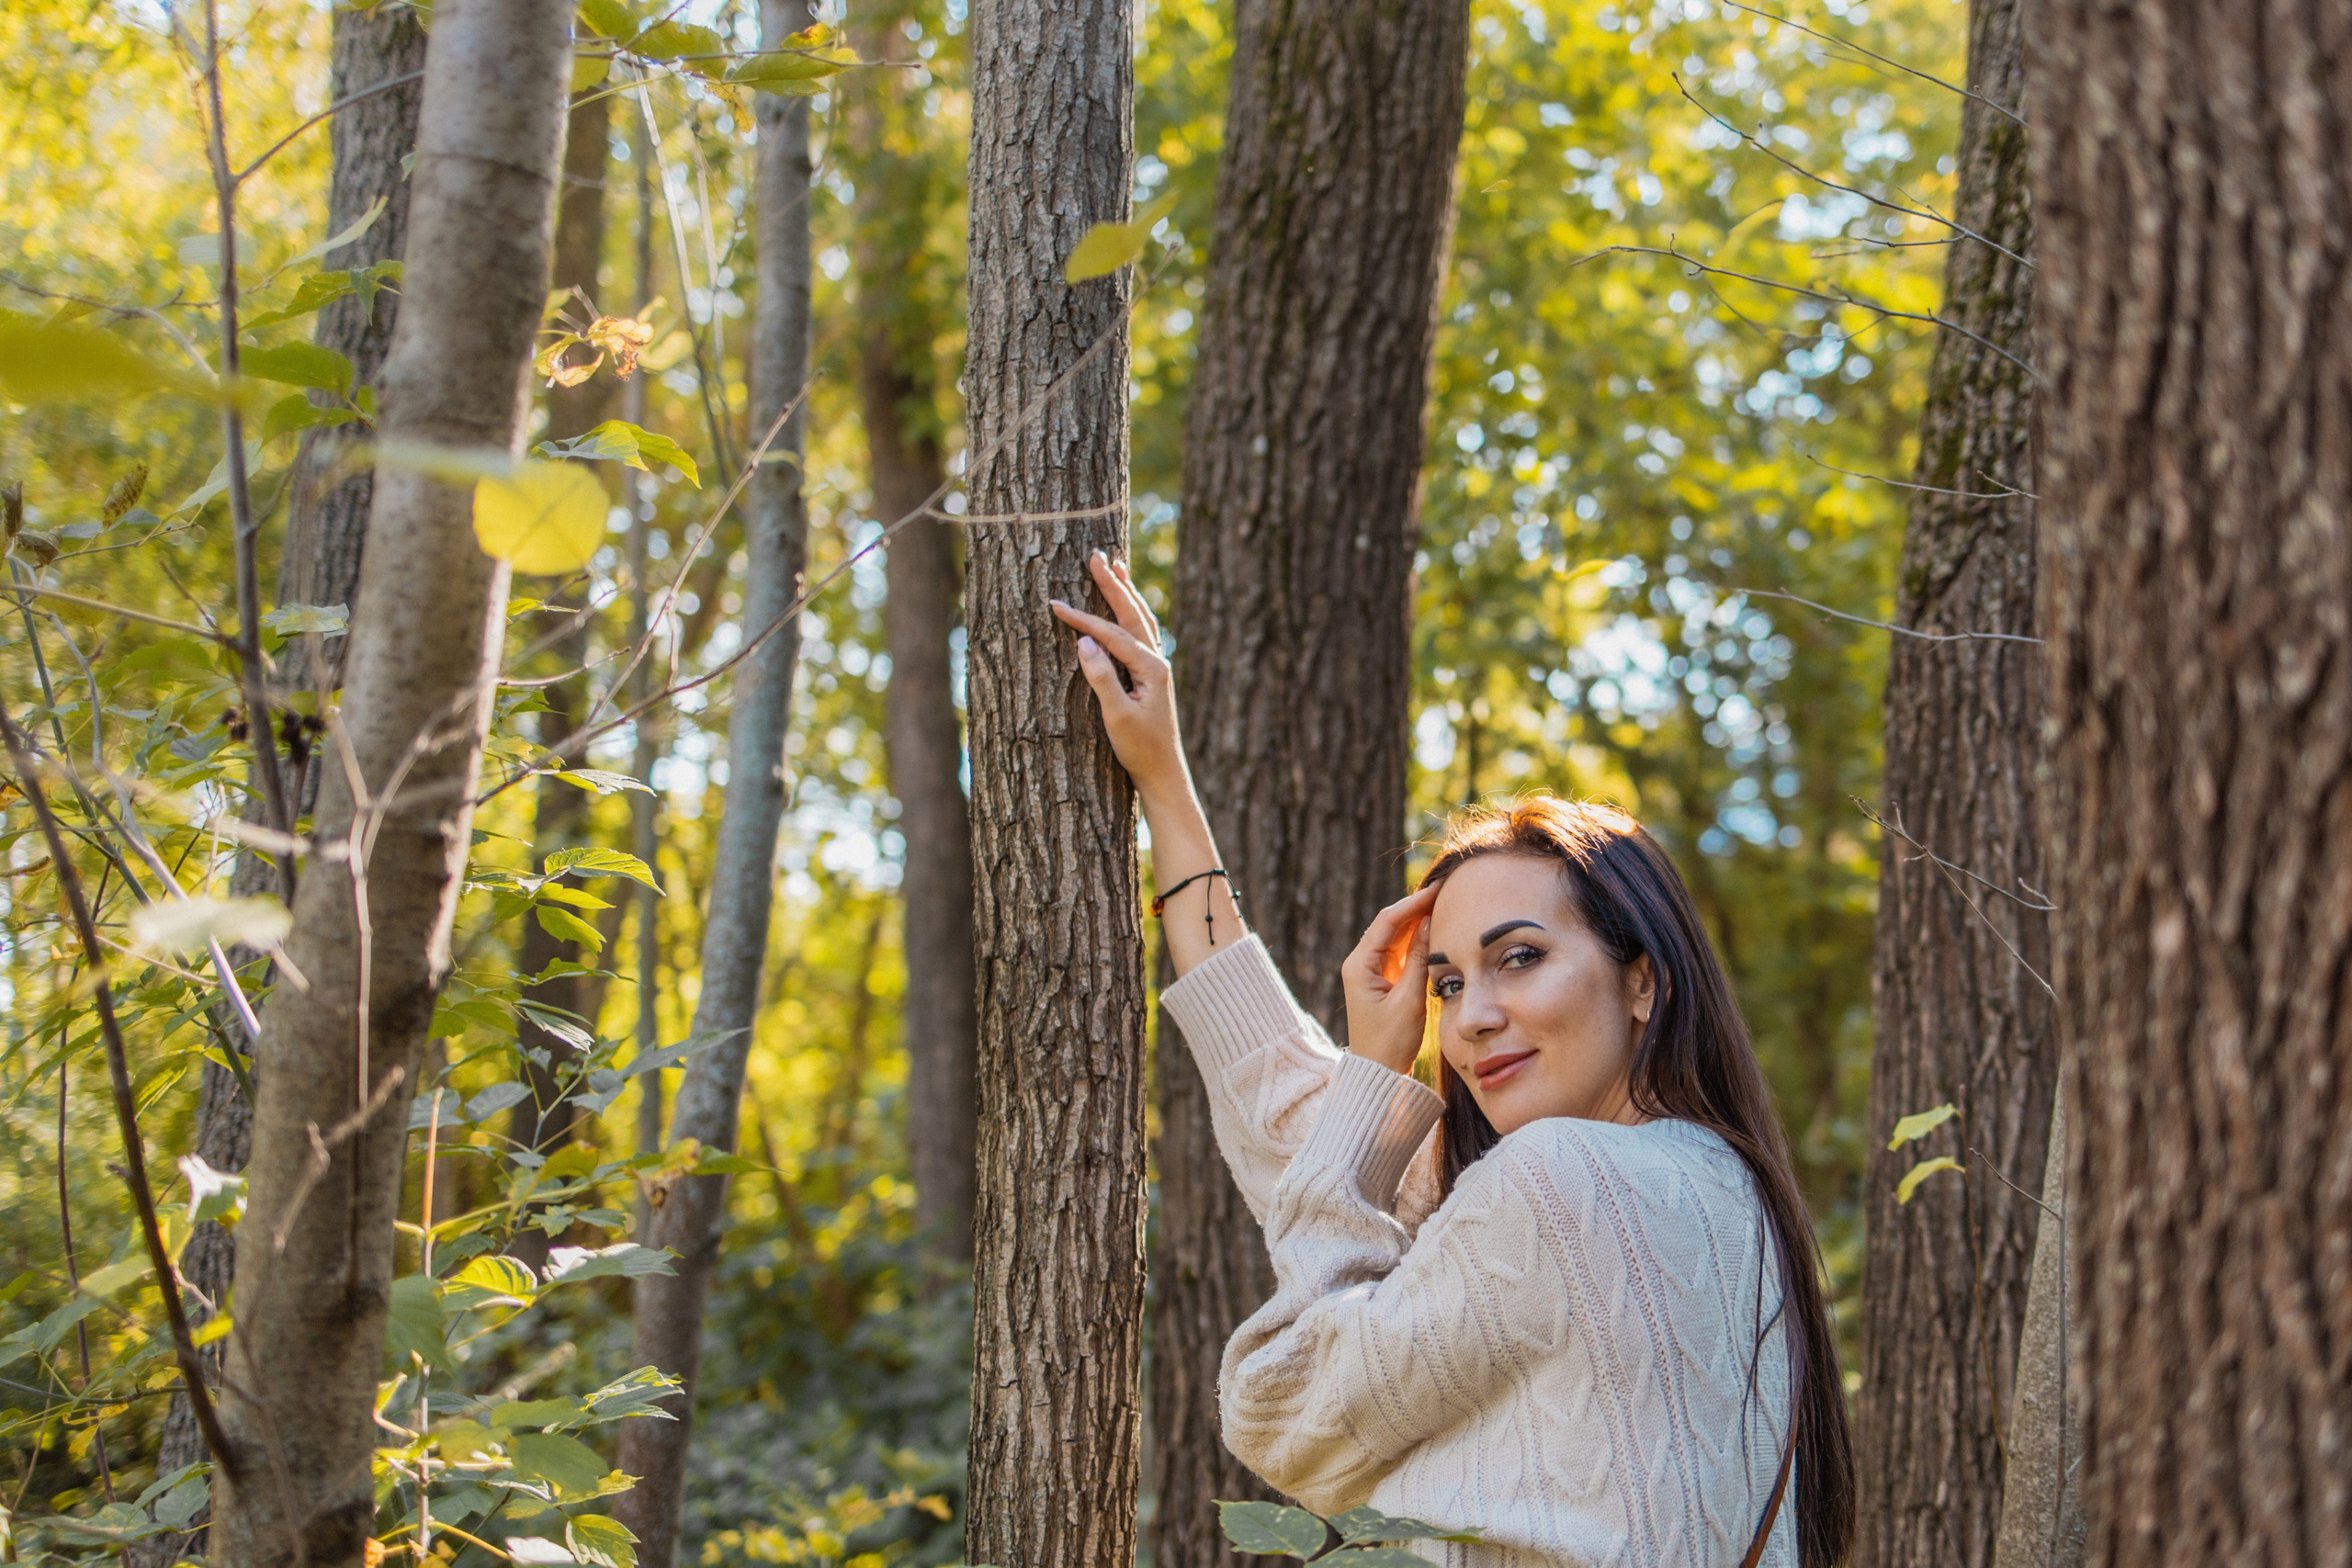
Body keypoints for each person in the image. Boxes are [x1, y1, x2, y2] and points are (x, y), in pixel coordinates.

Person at [1051, 552, 1855, 1568]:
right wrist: (1163, 782)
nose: (1470, 1017)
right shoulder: (1723, 1189)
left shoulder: (1557, 1186)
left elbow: (1281, 1404)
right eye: (1446, 982)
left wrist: (1375, 1088)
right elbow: (1286, 1115)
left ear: (1641, 979)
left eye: (1519, 958)